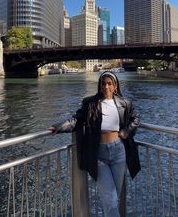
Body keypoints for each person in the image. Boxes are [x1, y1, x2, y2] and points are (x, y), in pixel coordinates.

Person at [48, 71, 140, 217]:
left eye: (110, 84)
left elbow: (135, 120)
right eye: (103, 84)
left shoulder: (125, 103)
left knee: (114, 197)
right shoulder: (90, 103)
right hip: (99, 154)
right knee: (110, 199)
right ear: (99, 86)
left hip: (119, 152)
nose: (106, 87)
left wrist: (126, 132)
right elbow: (76, 120)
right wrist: (59, 127)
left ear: (115, 86)